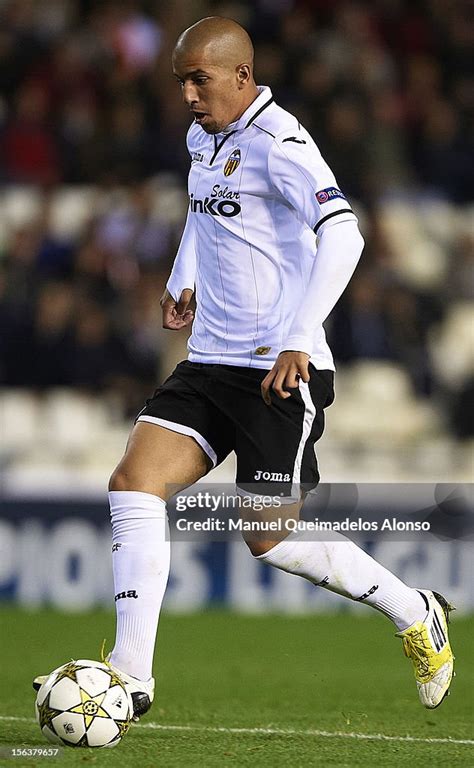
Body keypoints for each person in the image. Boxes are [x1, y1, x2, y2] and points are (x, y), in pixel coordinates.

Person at [34, 16, 454, 720]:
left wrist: (298, 335)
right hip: (209, 362)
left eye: (199, 80)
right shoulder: (203, 136)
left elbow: (344, 234)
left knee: (269, 537)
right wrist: (181, 276)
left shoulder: (280, 142)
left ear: (241, 75)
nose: (189, 96)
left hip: (276, 371)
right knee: (134, 485)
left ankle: (413, 610)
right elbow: (203, 214)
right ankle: (133, 677)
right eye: (181, 83)